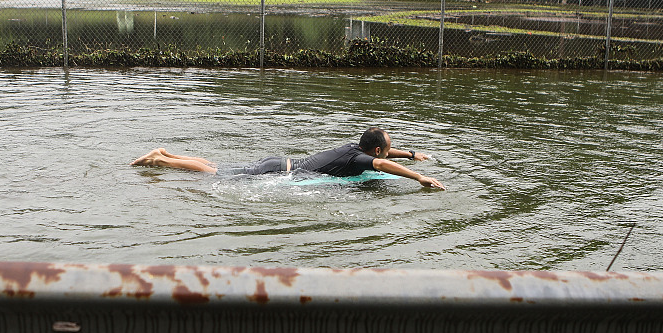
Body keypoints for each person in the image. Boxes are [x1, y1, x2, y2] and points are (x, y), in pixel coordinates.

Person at [131, 127, 445, 190]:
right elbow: (384, 163)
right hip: (278, 173)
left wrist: (414, 154)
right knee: (214, 175)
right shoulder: (364, 161)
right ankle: (161, 161)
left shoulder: (357, 147)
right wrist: (418, 176)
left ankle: (166, 154)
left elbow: (386, 153)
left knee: (215, 167)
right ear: (375, 151)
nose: (391, 152)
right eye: (389, 148)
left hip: (279, 163)